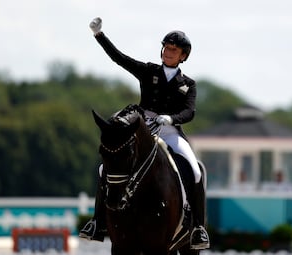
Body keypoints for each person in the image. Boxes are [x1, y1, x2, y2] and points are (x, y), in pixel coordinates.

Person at [79, 17, 210, 250]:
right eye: (167, 48)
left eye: (174, 49)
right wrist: (99, 35)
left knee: (195, 169)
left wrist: (171, 118)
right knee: (104, 168)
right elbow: (120, 59)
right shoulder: (149, 71)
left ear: (183, 56)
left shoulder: (188, 84)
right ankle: (97, 222)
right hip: (143, 129)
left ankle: (198, 227)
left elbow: (189, 112)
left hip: (170, 131)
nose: (168, 52)